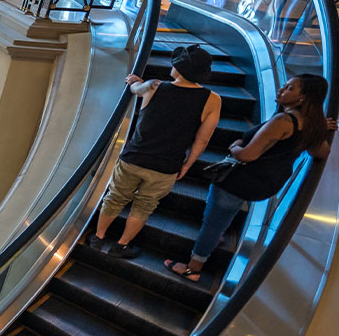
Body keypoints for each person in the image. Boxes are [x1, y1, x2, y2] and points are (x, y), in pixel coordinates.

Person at [166, 75, 334, 282]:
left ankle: (193, 268)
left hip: (238, 181)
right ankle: (215, 237)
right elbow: (321, 153)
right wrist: (320, 131)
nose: (281, 90)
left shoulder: (283, 121)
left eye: (289, 88)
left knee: (212, 222)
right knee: (224, 214)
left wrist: (234, 145)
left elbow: (247, 155)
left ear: (303, 98)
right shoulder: (309, 124)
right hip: (267, 183)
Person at [90, 44, 221, 258]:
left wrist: (135, 81)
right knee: (144, 206)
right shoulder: (212, 100)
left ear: (179, 68)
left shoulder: (154, 86)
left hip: (134, 156)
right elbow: (203, 139)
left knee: (115, 197)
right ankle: (121, 245)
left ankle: (98, 237)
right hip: (167, 164)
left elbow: (134, 88)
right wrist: (187, 164)